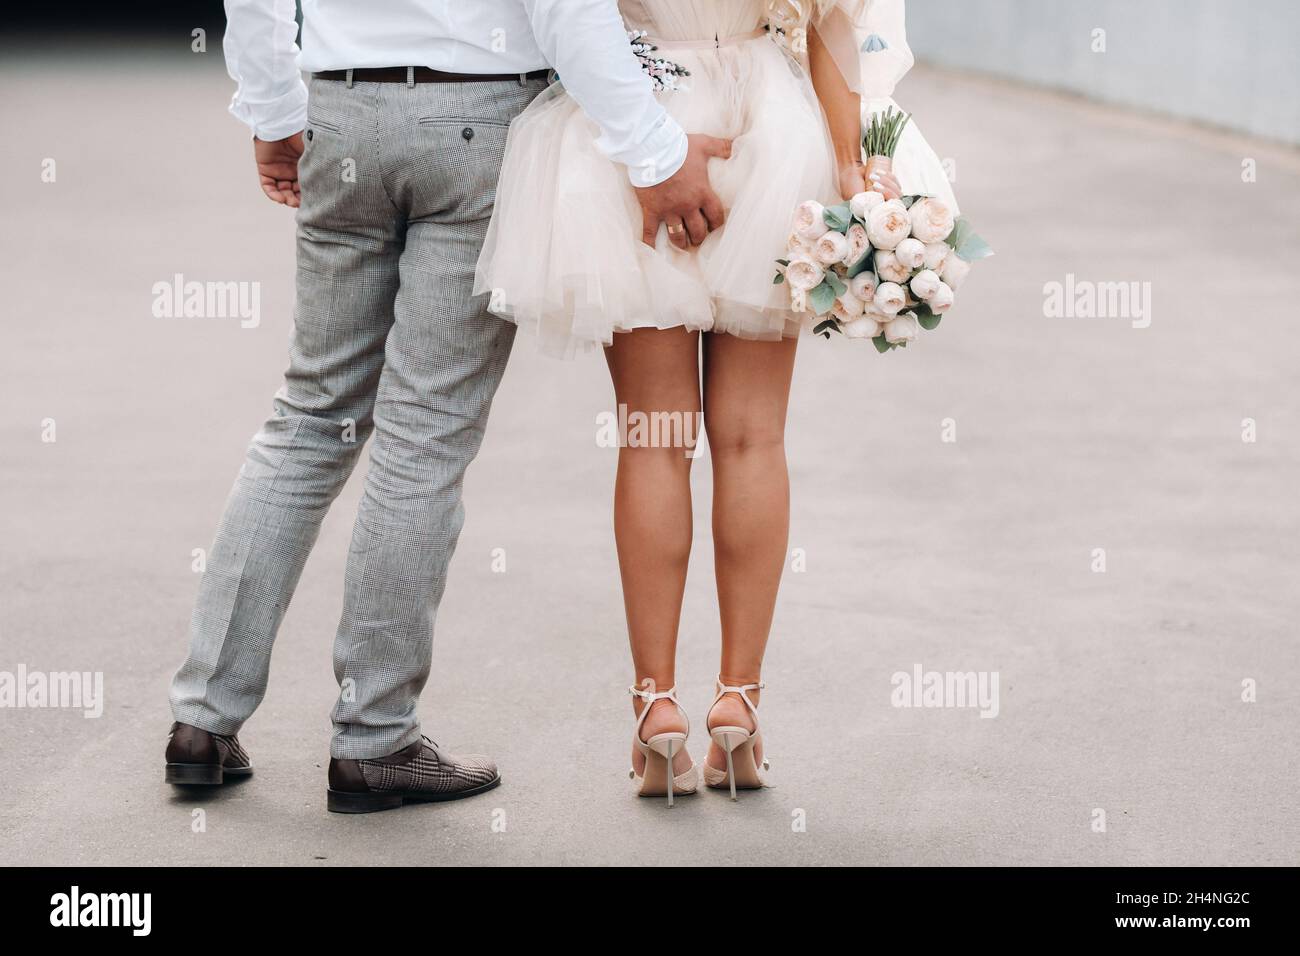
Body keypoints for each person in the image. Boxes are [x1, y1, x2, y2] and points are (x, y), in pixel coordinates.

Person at [165, 0, 730, 814]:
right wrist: (654, 150)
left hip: (342, 111)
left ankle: (201, 722)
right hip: (477, 120)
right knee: (423, 436)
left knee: (310, 416)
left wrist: (274, 107)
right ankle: (374, 738)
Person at [475, 0, 954, 802]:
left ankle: (655, 709)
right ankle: (739, 704)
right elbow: (831, 26)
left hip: (645, 126)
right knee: (752, 439)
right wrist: (847, 165)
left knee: (654, 438)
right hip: (771, 131)